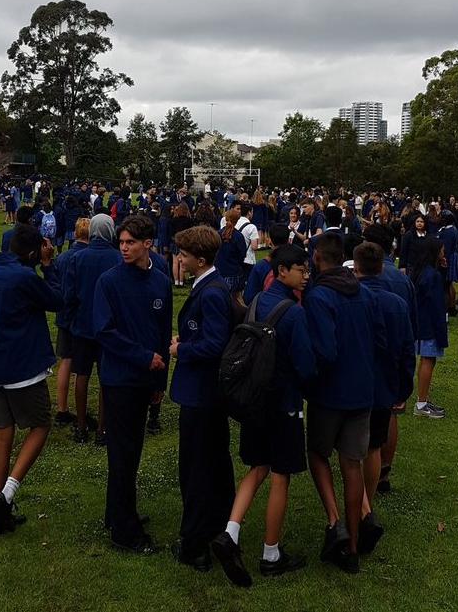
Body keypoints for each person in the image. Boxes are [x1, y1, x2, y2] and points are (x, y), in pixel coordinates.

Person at [212, 244, 314, 586]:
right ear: (282, 271)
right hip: (283, 401)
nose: (305, 274)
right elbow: (305, 363)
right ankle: (271, 553)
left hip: (254, 399)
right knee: (281, 474)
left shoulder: (256, 301)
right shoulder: (295, 313)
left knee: (257, 468)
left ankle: (231, 532)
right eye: (300, 269)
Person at [0, 224, 63, 536]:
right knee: (40, 425)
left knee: (3, 435)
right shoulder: (25, 277)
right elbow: (57, 301)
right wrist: (49, 266)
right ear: (34, 252)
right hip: (22, 368)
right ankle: (6, 495)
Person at [304, 233, 384, 574]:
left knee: (318, 453)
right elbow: (379, 339)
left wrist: (307, 376)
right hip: (362, 390)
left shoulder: (319, 296)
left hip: (330, 391)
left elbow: (324, 350)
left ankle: (335, 521)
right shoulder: (365, 293)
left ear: (318, 259)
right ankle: (352, 543)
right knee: (352, 463)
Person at [93, 216, 172, 554]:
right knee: (123, 453)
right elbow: (105, 331)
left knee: (132, 451)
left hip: (145, 379)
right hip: (120, 379)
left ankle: (118, 512)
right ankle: (125, 532)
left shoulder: (161, 281)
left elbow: (162, 332)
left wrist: (158, 382)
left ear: (147, 244)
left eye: (130, 243)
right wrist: (142, 357)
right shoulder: (109, 282)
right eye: (121, 242)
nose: (123, 248)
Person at [169, 225, 235, 573]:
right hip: (205, 393)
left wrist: (182, 349)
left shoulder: (211, 292)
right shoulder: (210, 286)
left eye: (183, 254)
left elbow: (215, 345)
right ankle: (219, 524)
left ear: (201, 259)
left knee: (196, 468)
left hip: (202, 393)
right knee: (214, 461)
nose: (179, 258)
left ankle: (194, 543)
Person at [352, 242, 415, 552]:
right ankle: (367, 500)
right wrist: (404, 386)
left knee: (354, 447)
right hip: (383, 383)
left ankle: (361, 505)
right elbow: (407, 348)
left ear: (357, 266)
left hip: (355, 382)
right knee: (373, 445)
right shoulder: (396, 303)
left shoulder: (350, 297)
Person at [362, 223, 417, 494]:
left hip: (366, 355)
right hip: (395, 354)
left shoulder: (359, 279)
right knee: (391, 414)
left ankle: (366, 471)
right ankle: (384, 469)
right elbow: (412, 324)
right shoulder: (402, 279)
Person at [65, 214, 121, 443]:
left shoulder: (78, 258)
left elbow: (69, 295)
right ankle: (103, 428)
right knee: (106, 376)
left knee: (82, 374)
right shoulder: (118, 258)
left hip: (83, 324)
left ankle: (80, 425)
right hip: (108, 326)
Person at [53, 218, 90, 426]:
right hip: (81, 314)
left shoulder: (63, 257)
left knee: (66, 360)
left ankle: (62, 407)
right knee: (82, 364)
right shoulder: (88, 258)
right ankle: (78, 407)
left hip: (64, 313)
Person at [411, 237, 448, 418]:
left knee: (426, 360)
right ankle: (421, 402)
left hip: (421, 322)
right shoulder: (432, 275)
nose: (444, 252)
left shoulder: (423, 272)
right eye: (441, 249)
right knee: (428, 359)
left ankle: (423, 398)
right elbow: (436, 304)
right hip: (430, 324)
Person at [243, 223, 290, 305]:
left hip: (265, 311)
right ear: (288, 240)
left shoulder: (261, 266)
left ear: (269, 241)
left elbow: (248, 298)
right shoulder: (297, 264)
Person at [215, 210, 247, 296]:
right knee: (232, 300)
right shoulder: (238, 236)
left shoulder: (218, 234)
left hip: (218, 271)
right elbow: (242, 255)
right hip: (233, 272)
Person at [169, 203, 193, 287]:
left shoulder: (174, 220)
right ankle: (182, 282)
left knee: (174, 263)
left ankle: (176, 281)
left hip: (174, 241)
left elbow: (171, 232)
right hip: (184, 242)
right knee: (182, 262)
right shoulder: (189, 220)